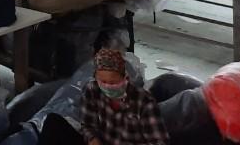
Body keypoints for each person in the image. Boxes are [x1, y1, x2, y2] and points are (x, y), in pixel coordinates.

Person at [39, 47, 168, 145]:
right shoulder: (92, 90)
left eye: (113, 82)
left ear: (125, 77)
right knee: (53, 122)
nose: (108, 86)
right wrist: (93, 139)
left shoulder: (144, 102)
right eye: (103, 82)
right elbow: (87, 125)